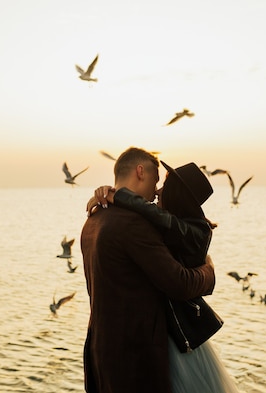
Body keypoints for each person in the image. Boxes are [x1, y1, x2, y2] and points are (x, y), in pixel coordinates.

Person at [89, 159, 240, 393]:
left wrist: (115, 195)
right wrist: (104, 193)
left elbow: (152, 215)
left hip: (174, 335)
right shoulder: (178, 224)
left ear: (178, 193)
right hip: (168, 333)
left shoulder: (190, 229)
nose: (158, 190)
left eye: (165, 185)